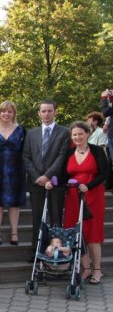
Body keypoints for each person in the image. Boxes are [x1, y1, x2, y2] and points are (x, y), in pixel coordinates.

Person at [45, 121, 109, 284]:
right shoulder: (69, 153)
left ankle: (97, 270)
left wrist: (88, 186)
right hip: (74, 197)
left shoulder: (97, 151)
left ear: (87, 134)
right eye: (74, 134)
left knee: (93, 234)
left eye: (80, 133)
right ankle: (85, 269)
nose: (77, 137)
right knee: (77, 232)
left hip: (93, 195)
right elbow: (65, 175)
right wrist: (52, 183)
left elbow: (104, 174)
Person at [22, 100, 70, 255]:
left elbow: (62, 157)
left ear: (55, 112)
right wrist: (37, 177)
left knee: (56, 218)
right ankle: (37, 251)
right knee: (37, 218)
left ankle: (56, 253)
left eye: (50, 111)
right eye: (43, 111)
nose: (47, 114)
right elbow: (26, 157)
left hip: (55, 182)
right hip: (36, 183)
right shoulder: (31, 133)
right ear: (39, 113)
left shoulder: (65, 132)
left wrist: (47, 176)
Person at [0, 101, 26, 246]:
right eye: (3, 111)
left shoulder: (21, 130)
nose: (6, 114)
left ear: (14, 113)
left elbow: (25, 151)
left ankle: (14, 232)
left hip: (16, 170)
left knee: (15, 203)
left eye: (9, 111)